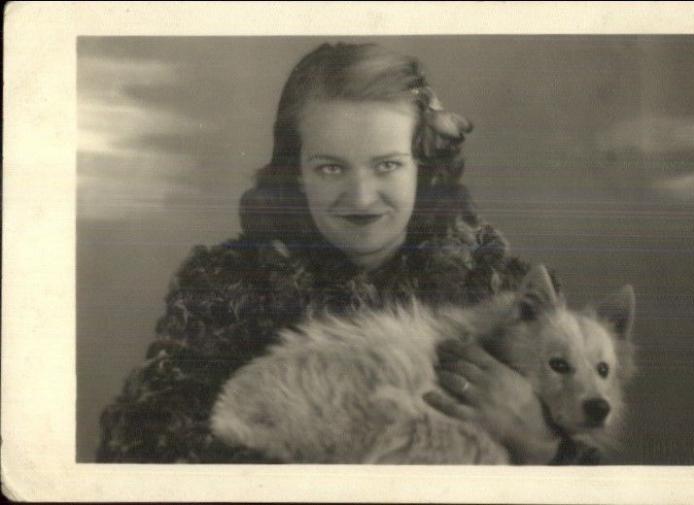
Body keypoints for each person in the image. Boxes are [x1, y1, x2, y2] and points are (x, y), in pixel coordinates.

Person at [96, 42, 597, 464]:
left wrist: (539, 443)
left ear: (424, 167)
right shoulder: (225, 286)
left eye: (387, 166)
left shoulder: (505, 291)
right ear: (295, 171)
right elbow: (136, 450)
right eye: (331, 169)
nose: (361, 198)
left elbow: (601, 477)